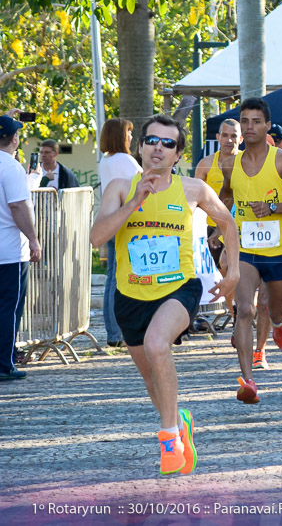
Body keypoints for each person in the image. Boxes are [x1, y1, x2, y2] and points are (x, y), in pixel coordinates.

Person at [89, 114, 240, 474]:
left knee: (159, 344)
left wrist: (232, 272)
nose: (159, 148)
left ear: (178, 154)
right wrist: (134, 203)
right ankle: (179, 420)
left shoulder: (193, 189)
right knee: (150, 374)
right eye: (152, 141)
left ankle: (169, 438)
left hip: (179, 286)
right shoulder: (121, 188)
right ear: (140, 147)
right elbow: (97, 239)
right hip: (131, 292)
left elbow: (227, 222)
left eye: (168, 143)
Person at [219, 98, 282, 402]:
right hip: (246, 249)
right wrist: (219, 231)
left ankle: (281, 323)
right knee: (245, 309)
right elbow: (225, 197)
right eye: (245, 121)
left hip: (281, 249)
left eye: (256, 121)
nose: (249, 126)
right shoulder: (231, 163)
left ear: (268, 125)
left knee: (276, 310)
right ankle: (248, 381)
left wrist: (272, 208)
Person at [0, 116, 41, 381]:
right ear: (14, 139)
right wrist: (34, 239)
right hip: (9, 250)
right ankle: (5, 363)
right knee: (9, 307)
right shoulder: (11, 167)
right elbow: (17, 206)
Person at [98, 118, 142, 348]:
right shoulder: (124, 160)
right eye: (128, 133)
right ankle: (116, 332)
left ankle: (113, 331)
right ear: (119, 135)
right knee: (117, 277)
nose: (131, 137)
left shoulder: (106, 160)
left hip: (112, 219)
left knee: (111, 277)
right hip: (125, 221)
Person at [193, 119, 241, 319]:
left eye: (234, 136)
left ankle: (237, 315)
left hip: (239, 227)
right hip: (210, 229)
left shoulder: (247, 162)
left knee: (231, 270)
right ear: (218, 138)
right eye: (225, 135)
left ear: (241, 138)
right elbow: (194, 198)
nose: (229, 140)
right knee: (213, 275)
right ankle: (222, 313)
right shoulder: (205, 164)